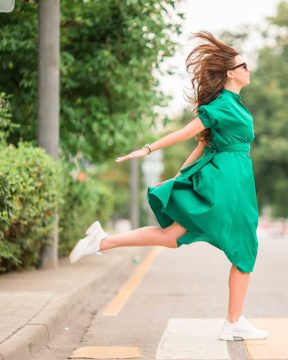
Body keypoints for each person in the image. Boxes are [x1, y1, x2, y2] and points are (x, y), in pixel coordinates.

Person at [68, 30, 268, 341]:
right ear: (231, 73)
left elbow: (203, 145)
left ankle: (102, 242)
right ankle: (234, 322)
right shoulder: (220, 106)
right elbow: (188, 134)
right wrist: (147, 149)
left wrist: (179, 175)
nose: (249, 69)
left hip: (233, 178)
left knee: (172, 237)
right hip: (227, 182)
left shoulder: (235, 105)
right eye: (244, 66)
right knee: (245, 246)